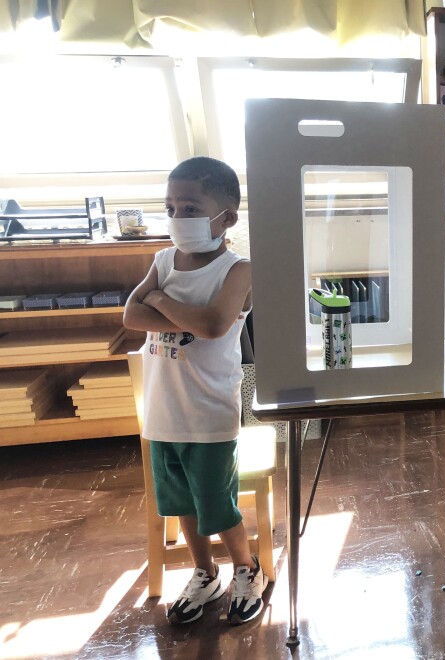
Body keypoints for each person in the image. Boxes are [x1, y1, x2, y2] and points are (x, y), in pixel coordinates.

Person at [123, 156, 268, 625]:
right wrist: (164, 306)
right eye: (170, 206)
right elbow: (130, 316)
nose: (176, 217)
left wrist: (161, 300)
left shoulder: (238, 270)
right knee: (182, 504)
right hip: (163, 412)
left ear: (226, 217)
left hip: (209, 413)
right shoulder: (162, 259)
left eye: (190, 207)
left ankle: (248, 569)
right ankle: (204, 573)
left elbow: (210, 325)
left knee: (216, 504)